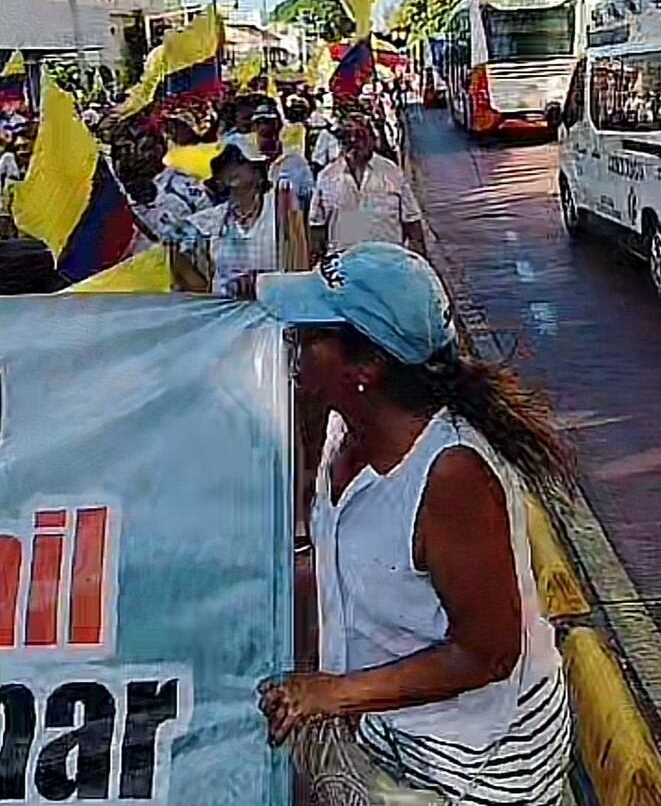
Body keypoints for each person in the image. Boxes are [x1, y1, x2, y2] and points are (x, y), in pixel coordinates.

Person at [257, 243, 573, 804]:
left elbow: (488, 653)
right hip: (384, 731)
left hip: (470, 768)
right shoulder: (343, 429)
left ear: (366, 367)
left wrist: (337, 693)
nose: (293, 342)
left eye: (312, 335)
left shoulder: (452, 476)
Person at [309, 113, 426, 261]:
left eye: (360, 135)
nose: (353, 141)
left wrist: (420, 264)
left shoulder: (392, 172)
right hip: (344, 267)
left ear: (373, 139)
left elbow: (412, 222)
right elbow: (317, 227)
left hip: (389, 263)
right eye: (347, 137)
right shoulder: (327, 177)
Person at [173, 140, 278, 298]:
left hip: (272, 303)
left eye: (239, 161)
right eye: (225, 164)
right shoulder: (213, 219)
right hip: (226, 306)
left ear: (258, 171)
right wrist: (207, 297)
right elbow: (177, 251)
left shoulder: (278, 209)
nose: (232, 168)